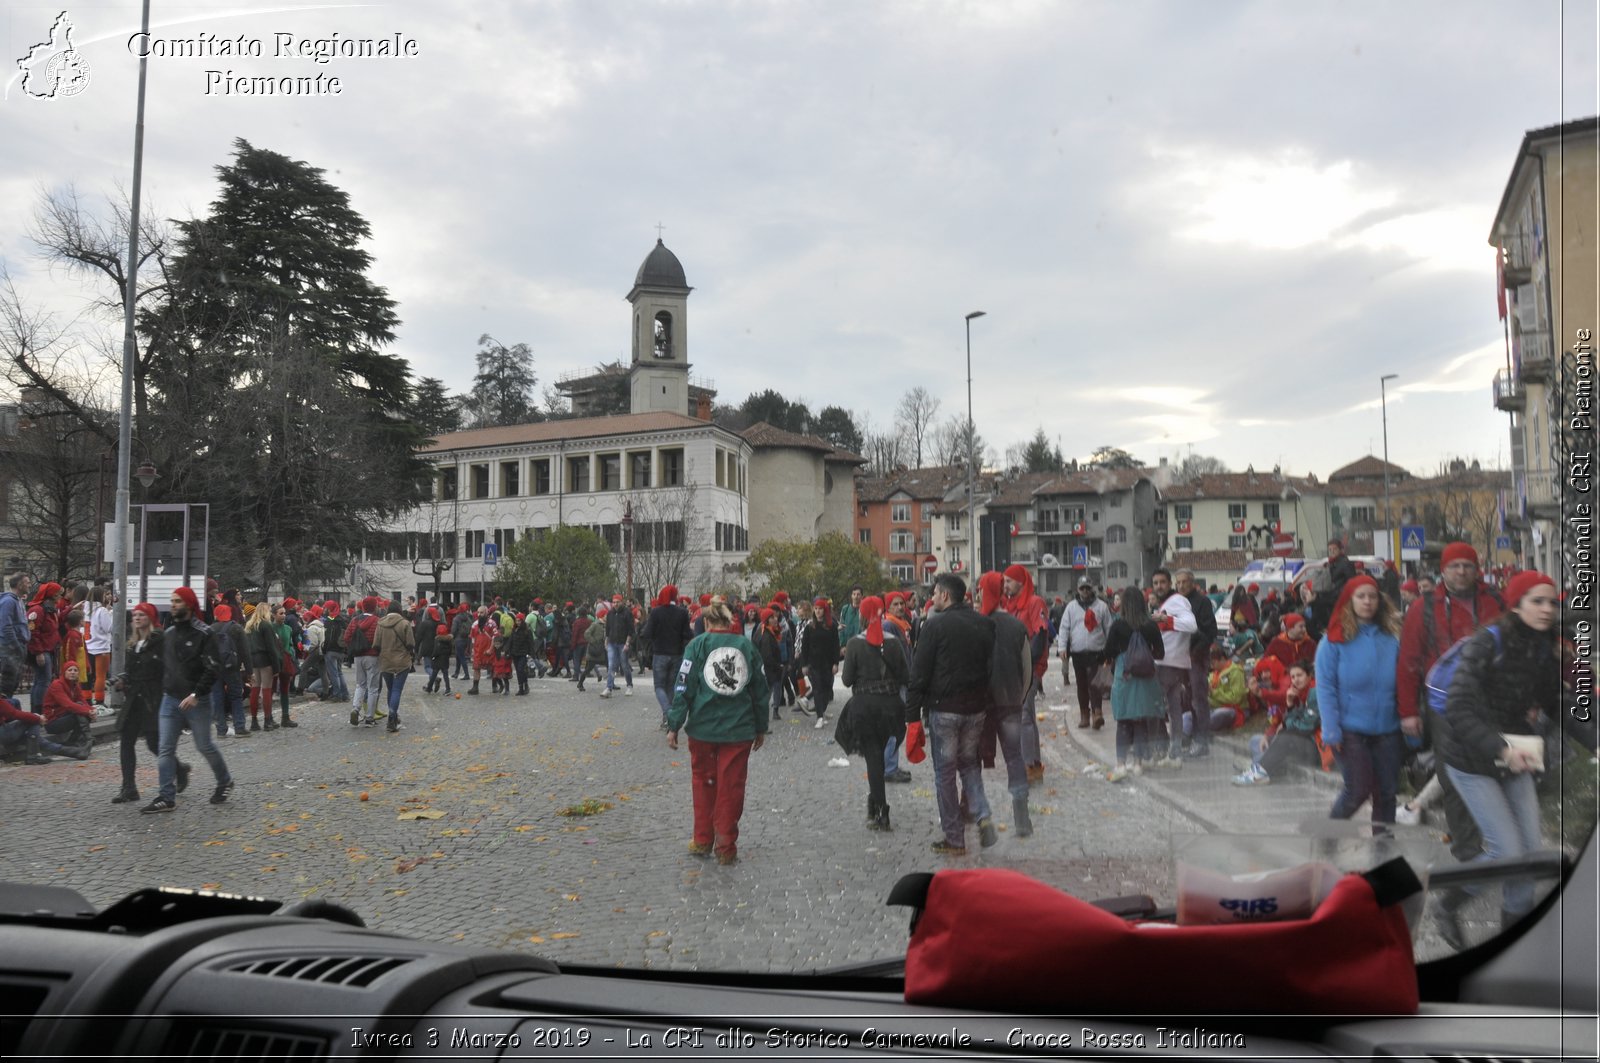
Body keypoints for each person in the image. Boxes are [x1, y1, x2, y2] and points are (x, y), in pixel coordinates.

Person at [1433, 571, 1561, 948]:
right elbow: (1457, 706)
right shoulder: (1488, 642)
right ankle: (1448, 903)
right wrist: (1502, 749)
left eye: (1551, 602)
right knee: (1507, 851)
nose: (1546, 609)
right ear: (1516, 604)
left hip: (1514, 755)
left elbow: (1559, 702)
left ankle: (1513, 940)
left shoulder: (1542, 647)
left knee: (1528, 855)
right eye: (1537, 601)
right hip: (1470, 757)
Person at [1395, 542, 1504, 861]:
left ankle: (1491, 836)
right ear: (1443, 571)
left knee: (1490, 767)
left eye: (1467, 566)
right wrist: (1408, 712)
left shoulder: (1495, 602)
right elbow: (1408, 663)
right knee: (1453, 774)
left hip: (1489, 701)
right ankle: (1466, 847)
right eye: (1454, 566)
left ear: (1477, 569)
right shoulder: (1423, 608)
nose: (1461, 571)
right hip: (1443, 705)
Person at [665, 596, 769, 865]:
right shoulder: (746, 647)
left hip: (703, 729)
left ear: (707, 622)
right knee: (731, 787)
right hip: (738, 730)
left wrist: (674, 723)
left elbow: (683, 686)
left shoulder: (696, 646)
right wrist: (761, 727)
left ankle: (702, 839)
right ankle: (725, 845)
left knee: (703, 783)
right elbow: (760, 690)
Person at [906, 573, 996, 856]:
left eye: (934, 593)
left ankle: (954, 838)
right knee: (969, 765)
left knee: (944, 773)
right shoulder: (984, 624)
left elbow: (919, 673)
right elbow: (991, 666)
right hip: (976, 708)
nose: (931, 598)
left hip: (945, 709)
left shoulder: (935, 626)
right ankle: (982, 815)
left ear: (945, 595)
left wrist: (912, 716)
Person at [1316, 574, 1404, 827]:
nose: (1367, 601)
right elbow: (1325, 687)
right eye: (1361, 596)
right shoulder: (1333, 642)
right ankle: (1329, 838)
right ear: (1349, 601)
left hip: (1387, 729)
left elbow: (1404, 682)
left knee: (1386, 794)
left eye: (1372, 596)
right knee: (1357, 791)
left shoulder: (1391, 638)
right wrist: (1331, 728)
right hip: (1350, 730)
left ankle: (1384, 852)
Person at [144, 587, 232, 813]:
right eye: (172, 601)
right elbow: (161, 665)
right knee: (165, 749)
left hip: (197, 700)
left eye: (178, 601)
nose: (173, 605)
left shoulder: (204, 633)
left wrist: (196, 694)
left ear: (189, 605)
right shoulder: (169, 633)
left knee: (204, 745)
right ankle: (166, 796)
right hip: (170, 699)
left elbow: (213, 667)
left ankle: (224, 781)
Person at [841, 595, 910, 832]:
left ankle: (880, 809)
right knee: (878, 755)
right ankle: (876, 802)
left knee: (873, 757)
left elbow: (847, 679)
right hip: (890, 707)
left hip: (864, 707)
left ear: (861, 615)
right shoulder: (893, 642)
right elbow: (905, 677)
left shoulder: (854, 644)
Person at [976, 571, 1034, 836]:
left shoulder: (975, 625)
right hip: (1010, 703)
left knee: (971, 760)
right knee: (1014, 757)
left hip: (981, 706)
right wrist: (1019, 698)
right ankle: (1022, 818)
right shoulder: (1015, 625)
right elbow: (1027, 669)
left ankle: (980, 814)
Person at [1102, 582, 1167, 781]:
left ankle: (1121, 763)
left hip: (1125, 676)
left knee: (1123, 722)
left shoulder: (1118, 625)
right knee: (1140, 722)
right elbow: (1160, 653)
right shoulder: (1150, 625)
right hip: (1146, 679)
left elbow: (1108, 652)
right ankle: (1138, 763)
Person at [1235, 661, 1320, 785]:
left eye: (1299, 675)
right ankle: (1263, 767)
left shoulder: (1315, 693)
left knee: (1284, 737)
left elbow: (1305, 727)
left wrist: (1286, 724)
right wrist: (1290, 704)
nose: (1296, 680)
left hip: (1317, 749)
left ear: (1309, 676)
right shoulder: (1299, 693)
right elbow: (1288, 722)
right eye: (1293, 677)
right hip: (1301, 743)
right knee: (1256, 740)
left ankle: (1259, 770)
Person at [1001, 564, 1049, 782]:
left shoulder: (1034, 602)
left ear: (1020, 582)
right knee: (1026, 716)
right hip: (1015, 668)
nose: (1005, 585)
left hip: (1028, 669)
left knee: (1025, 717)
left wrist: (1027, 664)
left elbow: (1040, 633)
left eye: (1009, 581)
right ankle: (1033, 763)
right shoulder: (1011, 605)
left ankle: (1029, 765)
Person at [1149, 569, 1198, 765]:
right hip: (1168, 662)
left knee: (1155, 706)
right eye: (1155, 583)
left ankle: (1162, 747)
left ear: (1170, 584)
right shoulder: (1166, 603)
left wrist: (1165, 619)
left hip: (1167, 663)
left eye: (1162, 582)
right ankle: (1174, 751)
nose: (1159, 586)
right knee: (1173, 707)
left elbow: (1191, 625)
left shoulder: (1177, 601)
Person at [1056, 578, 1110, 730]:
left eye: (1087, 588)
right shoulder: (1071, 608)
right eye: (1082, 588)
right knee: (1082, 685)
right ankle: (1084, 715)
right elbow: (1064, 628)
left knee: (1095, 684)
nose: (1085, 591)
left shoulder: (1101, 607)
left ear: (1092, 588)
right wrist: (1062, 648)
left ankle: (1097, 713)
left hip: (1097, 651)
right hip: (1078, 652)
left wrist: (1110, 650)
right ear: (1078, 590)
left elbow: (1108, 628)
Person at [641, 584, 694, 731]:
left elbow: (647, 633)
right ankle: (667, 720)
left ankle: (668, 713)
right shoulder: (682, 612)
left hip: (660, 653)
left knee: (659, 686)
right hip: (677, 654)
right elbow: (687, 635)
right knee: (671, 686)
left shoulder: (656, 612)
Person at [39, 660, 94, 758]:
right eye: (70, 670)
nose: (73, 672)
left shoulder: (75, 685)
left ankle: (74, 742)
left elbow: (83, 701)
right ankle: (86, 740)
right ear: (64, 672)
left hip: (64, 715)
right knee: (80, 713)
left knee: (82, 710)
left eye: (75, 670)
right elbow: (68, 704)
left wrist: (92, 710)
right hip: (52, 722)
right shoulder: (57, 684)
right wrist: (87, 711)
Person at [208, 604, 249, 738]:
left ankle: (221, 729)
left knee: (217, 698)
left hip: (214, 669)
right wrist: (249, 671)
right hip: (232, 668)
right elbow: (245, 651)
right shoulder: (236, 628)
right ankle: (240, 727)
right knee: (236, 697)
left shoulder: (209, 629)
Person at [375, 601, 415, 732]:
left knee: (390, 689)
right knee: (397, 690)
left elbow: (376, 645)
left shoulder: (380, 623)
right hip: (402, 661)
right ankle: (392, 719)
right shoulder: (404, 623)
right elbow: (410, 643)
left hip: (386, 660)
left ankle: (394, 716)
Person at [26, 581, 64, 713]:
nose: (60, 597)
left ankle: (36, 711)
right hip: (42, 651)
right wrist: (38, 652)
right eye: (59, 594)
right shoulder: (38, 610)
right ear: (52, 595)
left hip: (48, 649)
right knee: (43, 681)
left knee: (40, 681)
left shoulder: (49, 610)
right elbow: (33, 632)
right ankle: (39, 710)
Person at [802, 597, 840, 730]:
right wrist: (804, 665)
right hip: (814, 664)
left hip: (828, 664)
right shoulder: (809, 627)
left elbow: (836, 645)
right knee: (817, 689)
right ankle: (819, 717)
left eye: (820, 609)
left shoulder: (831, 627)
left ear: (825, 610)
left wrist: (836, 663)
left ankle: (821, 711)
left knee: (826, 689)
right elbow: (804, 647)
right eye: (816, 609)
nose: (818, 612)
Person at [244, 602, 281, 732]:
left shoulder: (249, 626)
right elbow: (271, 648)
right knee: (266, 690)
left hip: (253, 660)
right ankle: (267, 720)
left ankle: (254, 721)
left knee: (255, 689)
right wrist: (276, 667)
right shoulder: (266, 625)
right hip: (265, 660)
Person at [346, 597, 383, 724]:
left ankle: (356, 709)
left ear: (362, 607)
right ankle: (369, 717)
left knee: (360, 684)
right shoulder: (378, 621)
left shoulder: (354, 620)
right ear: (375, 607)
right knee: (373, 687)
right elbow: (380, 639)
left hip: (358, 656)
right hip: (373, 656)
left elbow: (346, 637)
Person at [1204, 644, 1247, 732]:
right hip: (1213, 707)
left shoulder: (1236, 672)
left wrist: (1213, 692)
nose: (1211, 666)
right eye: (1210, 663)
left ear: (1222, 659)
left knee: (1217, 715)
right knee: (1187, 716)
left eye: (1213, 663)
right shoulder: (1213, 674)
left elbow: (1235, 699)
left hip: (1234, 709)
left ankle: (1200, 728)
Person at [601, 594, 636, 698]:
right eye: (614, 602)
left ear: (622, 602)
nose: (615, 604)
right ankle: (609, 688)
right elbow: (608, 629)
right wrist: (606, 641)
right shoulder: (610, 613)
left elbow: (631, 630)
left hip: (623, 643)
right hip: (612, 642)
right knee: (611, 665)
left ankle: (629, 685)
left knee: (625, 665)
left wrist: (627, 643)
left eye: (617, 602)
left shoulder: (627, 613)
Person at [87, 588, 115, 705]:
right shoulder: (102, 610)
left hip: (88, 646)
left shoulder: (85, 608)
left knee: (88, 677)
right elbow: (109, 628)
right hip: (101, 647)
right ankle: (99, 702)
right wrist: (110, 613)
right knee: (100, 676)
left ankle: (87, 700)